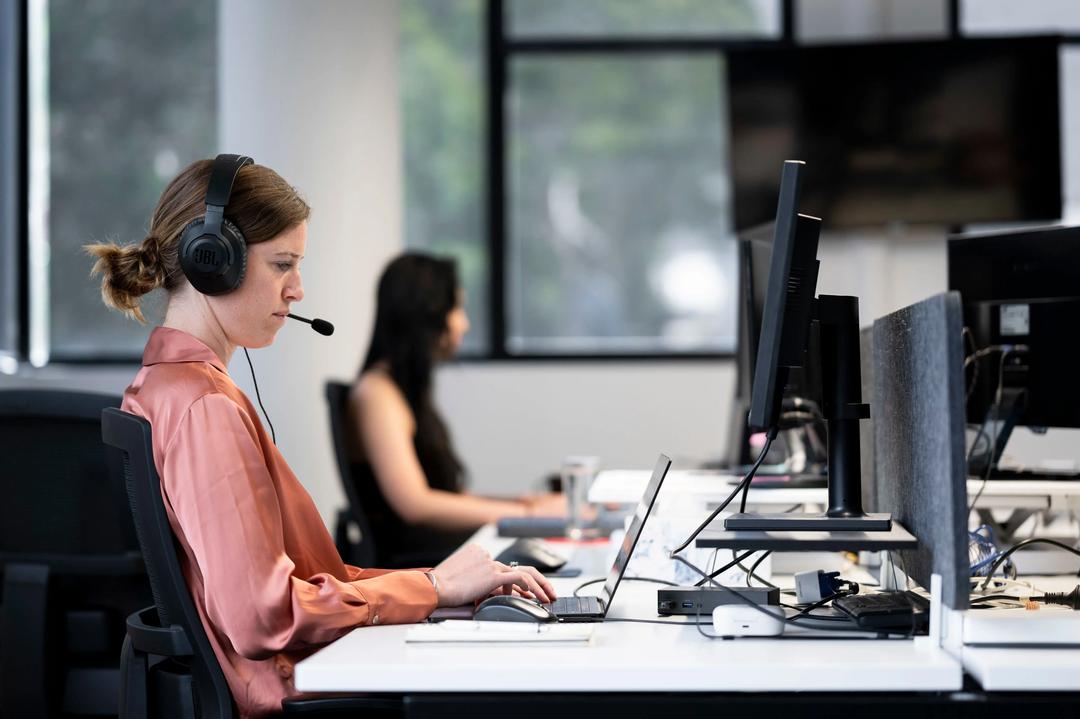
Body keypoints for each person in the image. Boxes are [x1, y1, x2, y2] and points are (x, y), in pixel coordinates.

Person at [87, 156, 554, 718]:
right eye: (282, 265)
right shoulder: (204, 408)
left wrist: (442, 583)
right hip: (297, 689)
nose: (298, 290)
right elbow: (263, 616)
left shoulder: (166, 385)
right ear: (213, 263)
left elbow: (306, 583)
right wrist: (431, 588)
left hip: (305, 672)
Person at [349, 253, 566, 566]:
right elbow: (415, 504)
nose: (464, 323)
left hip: (433, 550)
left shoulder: (403, 390)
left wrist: (525, 502)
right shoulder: (376, 394)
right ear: (429, 314)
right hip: (416, 562)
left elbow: (447, 493)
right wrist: (530, 515)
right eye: (458, 309)